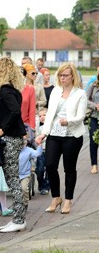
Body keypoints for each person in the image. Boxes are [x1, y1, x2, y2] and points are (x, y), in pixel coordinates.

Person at [35, 62, 87, 216]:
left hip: (72, 135)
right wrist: (43, 133)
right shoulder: (56, 91)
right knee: (50, 165)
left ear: (73, 77)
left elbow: (81, 116)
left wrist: (69, 121)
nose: (62, 78)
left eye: (65, 75)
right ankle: (56, 197)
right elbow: (50, 114)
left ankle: (68, 200)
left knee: (69, 168)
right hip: (54, 135)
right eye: (60, 75)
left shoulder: (80, 94)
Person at [0, 57, 29, 233]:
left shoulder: (6, 91)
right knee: (13, 179)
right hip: (13, 138)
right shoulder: (13, 91)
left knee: (12, 180)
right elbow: (4, 115)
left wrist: (2, 129)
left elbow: (14, 112)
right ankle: (18, 218)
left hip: (10, 139)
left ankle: (19, 219)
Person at [85, 74, 99, 175]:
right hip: (94, 116)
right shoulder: (93, 86)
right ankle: (94, 164)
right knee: (93, 141)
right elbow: (85, 100)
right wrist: (95, 106)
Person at [20, 64, 38, 130]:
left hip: (25, 124)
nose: (35, 75)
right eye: (33, 73)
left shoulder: (31, 88)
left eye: (36, 73)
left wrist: (32, 127)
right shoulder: (12, 88)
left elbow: (32, 110)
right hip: (12, 124)